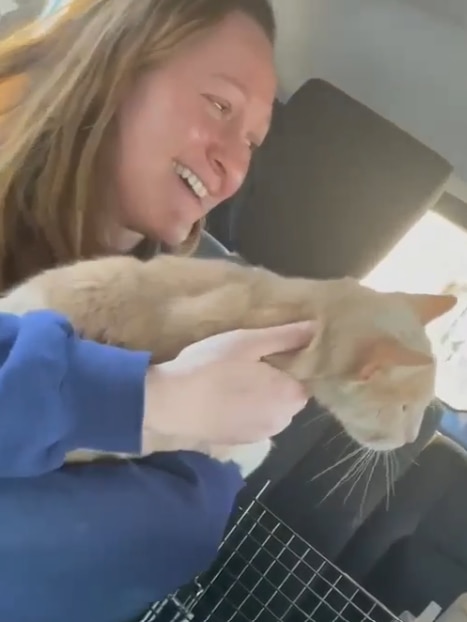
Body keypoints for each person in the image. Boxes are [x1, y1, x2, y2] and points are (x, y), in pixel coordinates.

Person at [0, 2, 315, 621]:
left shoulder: (214, 329)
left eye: (253, 139)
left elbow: (150, 536)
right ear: (120, 64)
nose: (233, 162)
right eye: (219, 106)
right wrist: (156, 400)